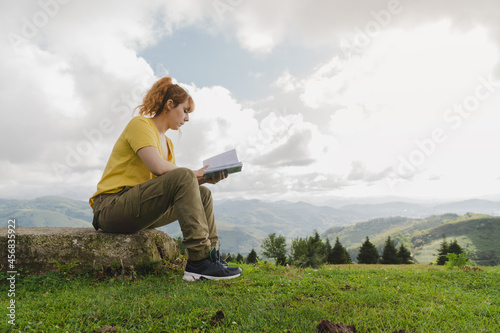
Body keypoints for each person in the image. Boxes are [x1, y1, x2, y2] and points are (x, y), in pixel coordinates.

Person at [89, 76, 241, 281]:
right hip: (112, 206)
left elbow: (176, 185)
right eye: (185, 111)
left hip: (139, 208)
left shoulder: (168, 143)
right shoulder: (140, 124)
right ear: (169, 104)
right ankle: (199, 260)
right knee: (185, 175)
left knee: (202, 193)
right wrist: (195, 173)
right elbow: (158, 167)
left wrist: (203, 179)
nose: (187, 118)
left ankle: (211, 258)